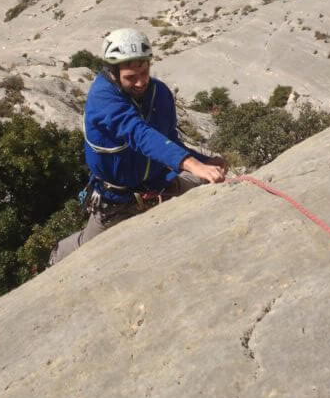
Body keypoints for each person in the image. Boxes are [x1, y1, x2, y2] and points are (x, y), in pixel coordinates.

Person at [49, 28, 226, 259]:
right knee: (88, 252)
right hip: (116, 199)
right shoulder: (102, 98)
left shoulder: (158, 93)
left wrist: (205, 162)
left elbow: (168, 139)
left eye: (145, 71)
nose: (141, 82)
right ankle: (57, 256)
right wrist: (194, 165)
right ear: (113, 73)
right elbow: (138, 133)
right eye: (131, 77)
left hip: (157, 184)